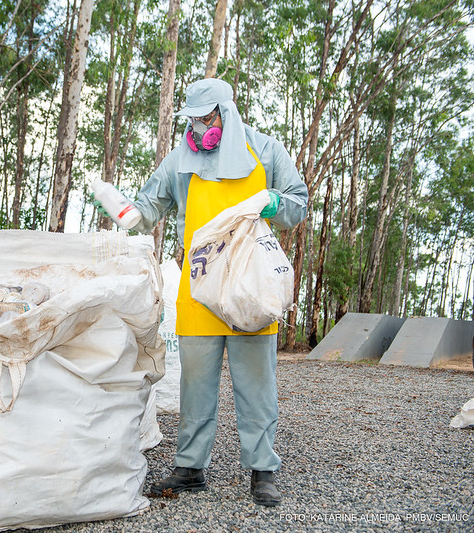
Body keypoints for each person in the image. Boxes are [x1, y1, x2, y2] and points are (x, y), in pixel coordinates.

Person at [97, 78, 307, 506]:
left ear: (226, 113)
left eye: (206, 118)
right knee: (195, 384)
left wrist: (273, 203)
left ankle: (263, 471)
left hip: (249, 288)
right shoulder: (180, 159)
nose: (198, 128)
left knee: (256, 384)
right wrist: (128, 213)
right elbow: (149, 207)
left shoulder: (264, 150)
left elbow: (298, 203)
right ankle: (191, 467)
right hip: (200, 286)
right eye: (191, 120)